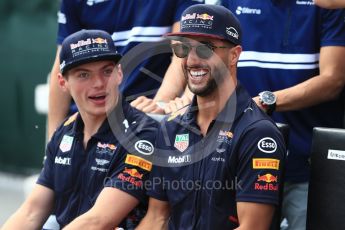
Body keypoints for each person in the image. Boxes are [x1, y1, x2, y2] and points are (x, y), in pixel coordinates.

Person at [137, 4, 286, 230]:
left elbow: (252, 228)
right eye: (184, 49)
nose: (192, 60)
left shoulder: (258, 133)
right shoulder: (170, 128)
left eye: (205, 48)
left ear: (234, 55)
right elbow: (156, 218)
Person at [2, 29, 158, 230]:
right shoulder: (63, 133)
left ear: (119, 74)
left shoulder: (142, 134)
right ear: (62, 82)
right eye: (84, 75)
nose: (99, 84)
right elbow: (31, 212)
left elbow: (98, 221)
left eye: (107, 71)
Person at [215, 1, 345, 229]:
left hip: (307, 167)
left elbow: (333, 80)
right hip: (240, 163)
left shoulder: (329, 4)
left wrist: (263, 102)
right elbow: (207, 62)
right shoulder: (230, 3)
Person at [48, 0, 202, 139]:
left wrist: (159, 105)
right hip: (87, 124)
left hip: (145, 119)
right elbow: (63, 63)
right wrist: (52, 141)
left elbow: (183, 53)